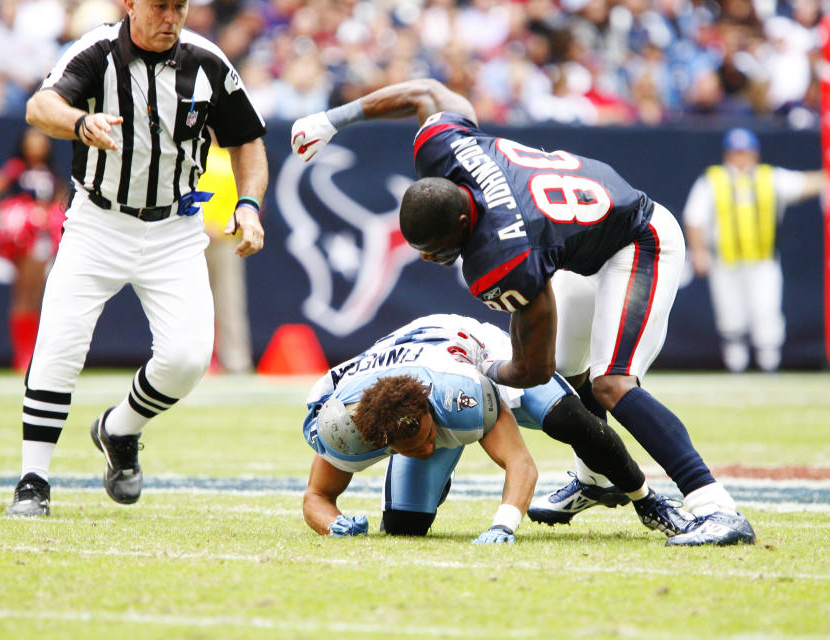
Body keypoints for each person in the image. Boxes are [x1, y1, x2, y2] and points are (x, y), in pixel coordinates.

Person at [291, 79, 755, 546]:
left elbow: (535, 368)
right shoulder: (445, 147)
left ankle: (714, 506)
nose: (429, 259)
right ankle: (596, 478)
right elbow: (426, 92)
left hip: (639, 238)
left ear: (461, 223)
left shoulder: (500, 255)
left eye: (434, 249)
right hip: (583, 240)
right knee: (576, 371)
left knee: (611, 382)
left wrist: (491, 368)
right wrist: (333, 119)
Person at [6, 0, 268, 517]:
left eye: (180, 5)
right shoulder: (96, 50)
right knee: (59, 341)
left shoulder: (207, 60)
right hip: (98, 221)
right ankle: (33, 478)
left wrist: (249, 205)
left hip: (175, 227)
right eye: (159, 5)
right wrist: (81, 122)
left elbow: (248, 140)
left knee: (189, 358)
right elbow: (40, 107)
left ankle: (119, 429)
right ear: (129, 3)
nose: (171, 16)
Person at [303, 314, 692, 543]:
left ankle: (646, 499)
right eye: (408, 447)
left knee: (568, 420)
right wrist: (332, 524)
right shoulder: (347, 422)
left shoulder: (459, 396)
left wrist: (504, 524)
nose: (425, 448)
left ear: (428, 410)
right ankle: (442, 471)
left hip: (473, 352)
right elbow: (316, 496)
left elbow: (520, 462)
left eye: (426, 438)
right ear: (379, 438)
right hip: (406, 368)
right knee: (405, 528)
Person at [682, 127, 825, 373]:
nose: (741, 158)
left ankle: (769, 366)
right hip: (725, 259)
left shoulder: (769, 178)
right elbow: (694, 218)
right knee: (730, 314)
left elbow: (804, 184)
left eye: (746, 152)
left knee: (766, 310)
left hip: (762, 260)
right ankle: (735, 367)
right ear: (728, 154)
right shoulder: (712, 181)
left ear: (755, 154)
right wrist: (699, 251)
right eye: (736, 152)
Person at [0, 127, 67, 372]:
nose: (37, 145)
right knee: (24, 296)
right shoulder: (15, 169)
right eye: (32, 140)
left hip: (44, 240)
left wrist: (48, 215)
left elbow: (59, 204)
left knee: (38, 298)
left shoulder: (51, 174)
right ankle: (23, 356)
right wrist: (7, 219)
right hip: (24, 241)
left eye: (41, 140)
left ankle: (34, 354)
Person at [197, 141, 254, 373]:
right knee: (191, 303)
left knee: (230, 303)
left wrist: (222, 228)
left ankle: (236, 362)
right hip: (192, 239)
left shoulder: (234, 163)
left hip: (226, 242)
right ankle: (195, 362)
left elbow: (246, 204)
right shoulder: (194, 158)